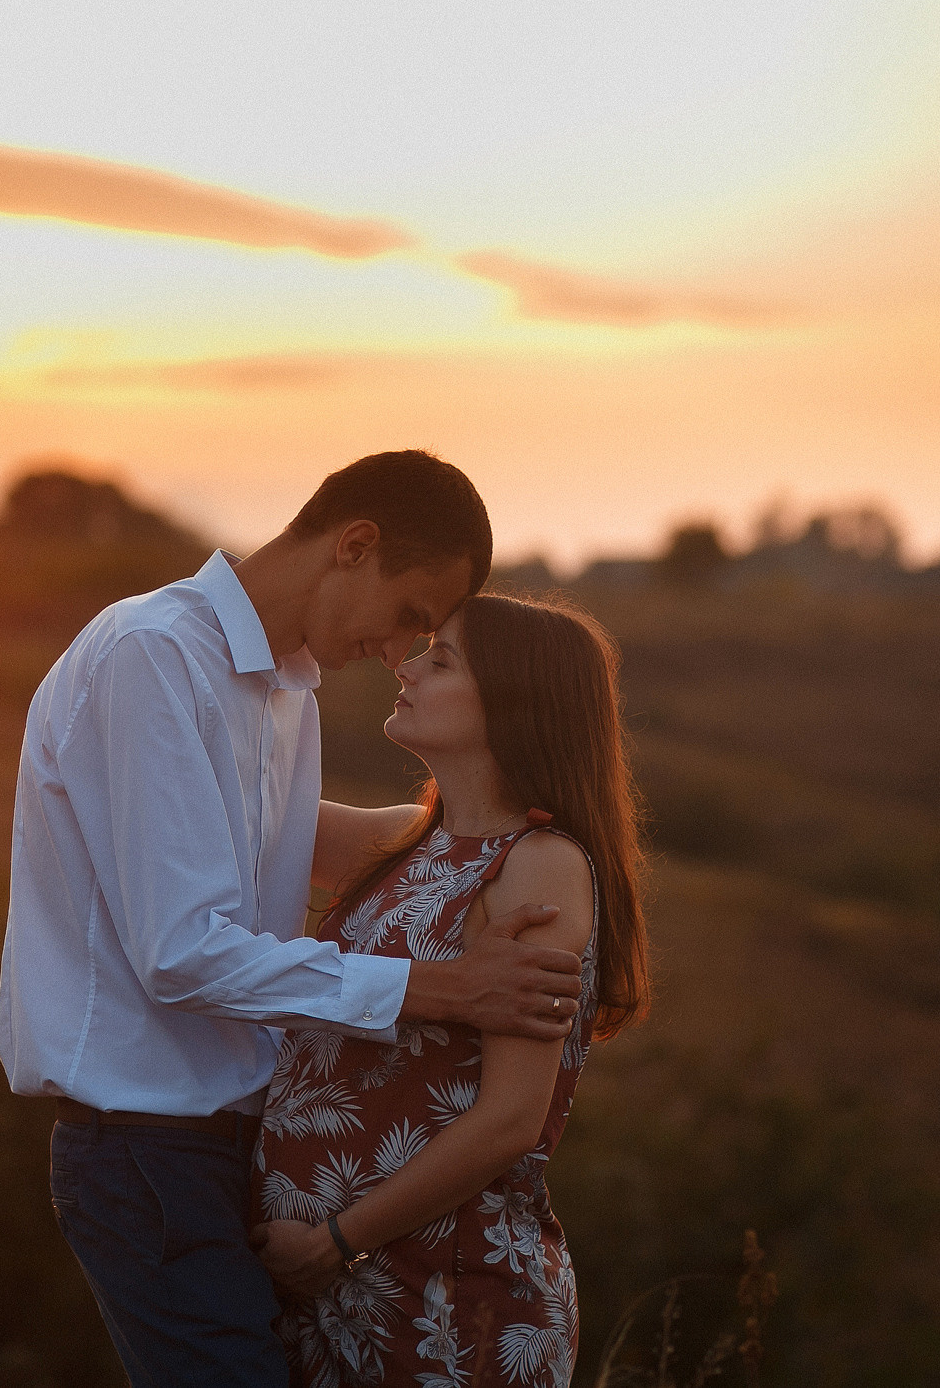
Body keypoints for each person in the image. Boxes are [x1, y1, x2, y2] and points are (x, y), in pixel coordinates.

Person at [0, 450, 586, 1387]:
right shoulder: (154, 655)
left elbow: (342, 843)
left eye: (427, 639)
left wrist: (531, 847)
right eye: (409, 615)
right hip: (149, 1139)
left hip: (228, 1147)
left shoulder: (284, 691)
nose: (397, 653)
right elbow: (181, 954)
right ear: (355, 545)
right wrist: (442, 989)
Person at [250, 592, 649, 1388]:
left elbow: (511, 1119)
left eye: (441, 660)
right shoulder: (406, 840)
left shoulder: (539, 866)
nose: (406, 668)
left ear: (513, 701)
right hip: (334, 1290)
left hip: (446, 1295)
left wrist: (336, 1241)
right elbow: (237, 811)